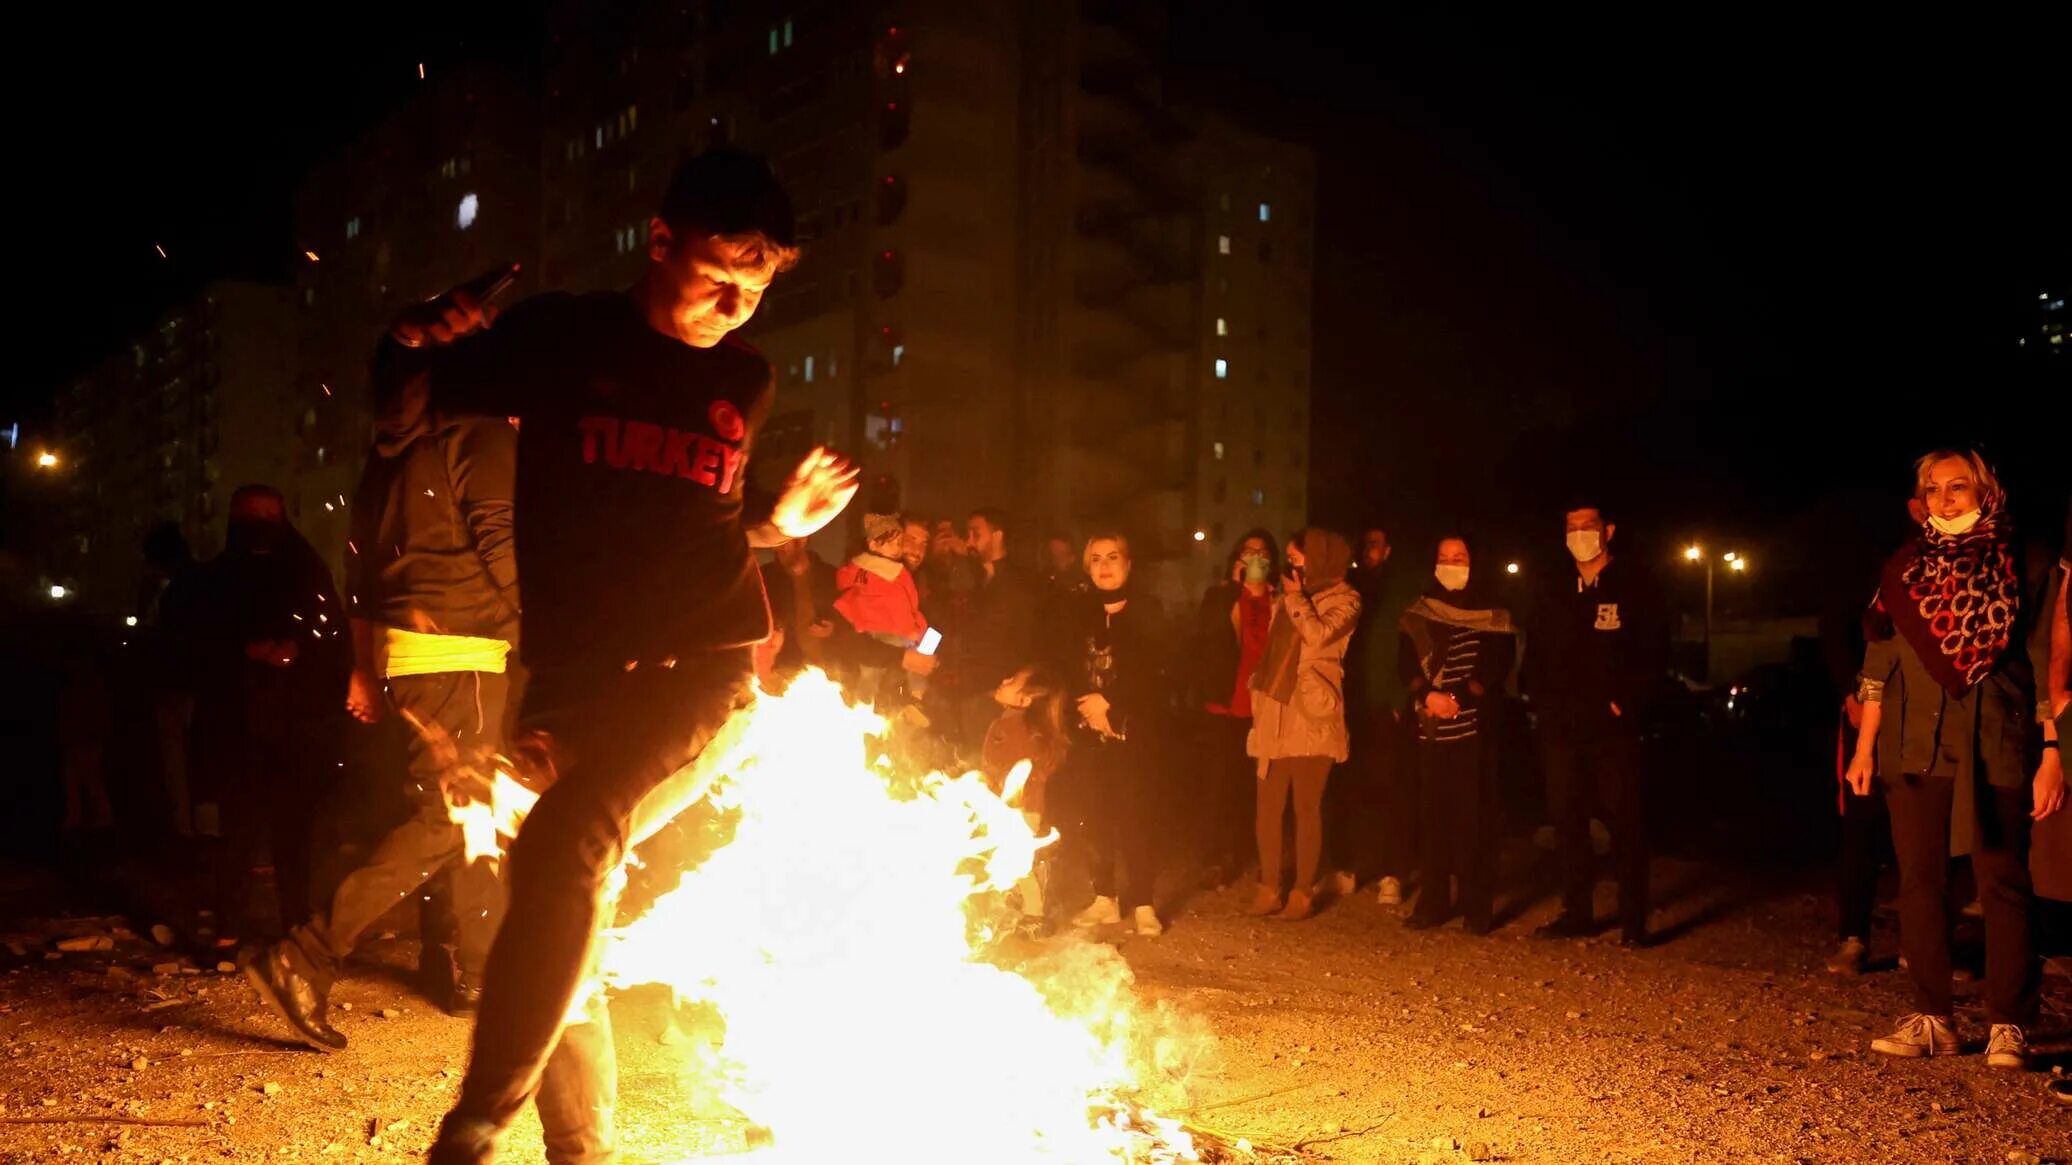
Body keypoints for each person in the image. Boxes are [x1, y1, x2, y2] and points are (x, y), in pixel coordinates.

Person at [302, 150, 854, 1163]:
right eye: (720, 270)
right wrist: (412, 337)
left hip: (705, 672)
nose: (736, 302)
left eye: (759, 284)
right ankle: (581, 1148)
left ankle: (468, 1135)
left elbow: (697, 523)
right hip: (570, 687)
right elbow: (405, 409)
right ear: (658, 241)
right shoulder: (562, 338)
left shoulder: (746, 379)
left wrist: (775, 527)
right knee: (555, 897)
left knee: (569, 846)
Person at [243, 389, 522, 1049]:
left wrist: (365, 664)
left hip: (416, 655)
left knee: (464, 817)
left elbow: (358, 570)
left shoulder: (388, 455)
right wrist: (567, 634)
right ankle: (306, 953)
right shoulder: (482, 432)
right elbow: (505, 547)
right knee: (445, 820)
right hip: (465, 655)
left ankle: (476, 966)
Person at [1847, 450, 2042, 1070]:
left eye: (1959, 486)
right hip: (1914, 742)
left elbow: (2049, 661)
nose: (1946, 498)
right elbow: (1879, 662)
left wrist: (2056, 751)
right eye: (1934, 489)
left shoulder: (2024, 563)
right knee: (1919, 881)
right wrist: (1863, 744)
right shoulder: (1903, 570)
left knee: (2001, 880)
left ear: (1987, 491)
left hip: (1995, 741)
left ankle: (2010, 1022)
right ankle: (1933, 1017)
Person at [189, 486, 352, 948]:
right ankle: (227, 927)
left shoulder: (306, 574)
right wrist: (245, 650)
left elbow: (332, 640)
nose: (260, 525)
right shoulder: (217, 580)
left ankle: (295, 925)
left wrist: (299, 651)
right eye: (251, 517)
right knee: (238, 830)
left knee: (295, 832)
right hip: (237, 726)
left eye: (269, 516)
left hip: (298, 728)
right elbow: (192, 645)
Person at [1528, 499, 1666, 946]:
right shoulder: (1553, 587)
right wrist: (1541, 703)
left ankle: (1632, 921)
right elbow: (1534, 653)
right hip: (1561, 726)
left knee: (1625, 820)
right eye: (1571, 526)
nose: (1579, 534)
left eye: (1587, 525)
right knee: (1568, 820)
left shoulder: (1635, 584)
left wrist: (1625, 702)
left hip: (1613, 728)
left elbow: (1655, 650)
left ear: (1609, 529)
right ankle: (1578, 912)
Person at [1398, 536, 1518, 933]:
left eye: (1460, 557)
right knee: (1433, 818)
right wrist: (1427, 695)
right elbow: (1405, 661)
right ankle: (1433, 902)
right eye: (1444, 557)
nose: (1451, 563)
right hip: (1430, 731)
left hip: (1474, 732)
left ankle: (1476, 903)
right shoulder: (1420, 610)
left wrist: (1458, 698)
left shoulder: (1493, 612)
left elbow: (1496, 665)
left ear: (1474, 562)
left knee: (1474, 820)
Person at [1057, 533, 1173, 937]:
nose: (1104, 566)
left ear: (1129, 563)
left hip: (1133, 732)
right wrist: (1083, 706)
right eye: (1095, 559)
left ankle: (1142, 902)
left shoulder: (1148, 611)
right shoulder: (1075, 612)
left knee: (1135, 816)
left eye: (1113, 557)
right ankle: (1104, 897)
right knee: (1096, 816)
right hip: (1088, 733)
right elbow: (1065, 667)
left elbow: (1157, 671)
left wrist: (1111, 702)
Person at [1247, 528, 1360, 922]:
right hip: (1275, 712)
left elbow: (1318, 636)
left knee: (1306, 808)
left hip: (1312, 716)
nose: (1292, 566)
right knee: (1267, 809)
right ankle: (1268, 887)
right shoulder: (1290, 597)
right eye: (1291, 559)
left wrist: (1295, 598)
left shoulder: (1346, 599)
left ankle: (1302, 891)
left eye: (1299, 558)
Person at [1188, 529, 1279, 889]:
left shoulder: (1280, 599)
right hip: (1225, 702)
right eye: (1248, 551)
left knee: (1258, 787)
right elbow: (1206, 634)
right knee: (1218, 785)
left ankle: (1256, 854)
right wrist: (1233, 589)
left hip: (1264, 706)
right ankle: (1217, 857)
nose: (1255, 557)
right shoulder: (1219, 595)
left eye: (1262, 552)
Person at [1345, 524, 1423, 906]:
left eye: (1375, 544)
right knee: (1355, 787)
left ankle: (1394, 870)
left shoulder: (1399, 591)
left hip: (1387, 704)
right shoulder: (1351, 586)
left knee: (1395, 788)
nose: (1369, 550)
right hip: (1352, 701)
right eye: (1364, 544)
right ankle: (1353, 865)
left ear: (1389, 549)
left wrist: (1399, 696)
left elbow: (1408, 644)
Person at [981, 664, 1072, 935]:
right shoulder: (1008, 722)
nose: (1004, 679)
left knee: (1017, 861)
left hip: (1020, 809)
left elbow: (1021, 768)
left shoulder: (1021, 729)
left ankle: (1035, 915)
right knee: (1006, 856)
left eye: (1013, 681)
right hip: (1007, 806)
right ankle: (1020, 902)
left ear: (1024, 700)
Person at [950, 508, 1039, 753]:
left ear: (997, 536)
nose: (969, 541)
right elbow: (942, 624)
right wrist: (924, 653)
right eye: (967, 534)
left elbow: (1031, 643)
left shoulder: (1020, 587)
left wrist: (1017, 684)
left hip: (996, 699)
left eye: (976, 533)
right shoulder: (970, 579)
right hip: (961, 693)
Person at [833, 512, 930, 704]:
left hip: (903, 699)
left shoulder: (928, 583)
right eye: (909, 540)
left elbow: (937, 628)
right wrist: (901, 657)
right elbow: (849, 641)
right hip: (866, 695)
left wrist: (925, 654)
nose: (916, 549)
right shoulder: (872, 579)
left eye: (924, 544)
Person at [759, 536, 837, 687]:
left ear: (802, 540)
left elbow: (845, 615)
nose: (778, 547)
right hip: (785, 667)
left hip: (828, 667)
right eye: (776, 542)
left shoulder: (828, 574)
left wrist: (832, 627)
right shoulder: (766, 576)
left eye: (784, 541)